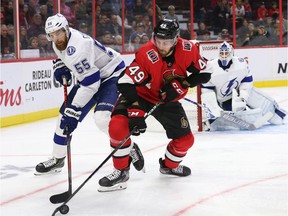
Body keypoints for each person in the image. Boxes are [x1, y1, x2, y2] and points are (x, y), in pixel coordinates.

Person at [98, 19, 212, 192]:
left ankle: (168, 166)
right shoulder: (146, 53)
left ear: (176, 40)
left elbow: (205, 72)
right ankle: (121, 171)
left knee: (185, 140)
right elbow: (125, 81)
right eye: (158, 41)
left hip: (167, 100)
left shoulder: (188, 49)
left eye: (165, 42)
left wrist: (184, 83)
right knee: (117, 127)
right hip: (140, 95)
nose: (161, 46)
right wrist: (136, 107)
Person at [34, 13, 144, 175]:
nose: (56, 38)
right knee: (62, 118)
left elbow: (91, 83)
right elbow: (67, 61)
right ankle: (58, 159)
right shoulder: (59, 42)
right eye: (52, 35)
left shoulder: (79, 47)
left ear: (66, 29)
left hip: (111, 75)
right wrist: (60, 65)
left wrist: (74, 110)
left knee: (102, 119)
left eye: (59, 33)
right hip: (90, 77)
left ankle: (128, 145)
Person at [201, 41, 287, 131]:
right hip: (224, 99)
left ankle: (279, 114)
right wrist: (213, 107)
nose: (224, 55)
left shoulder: (240, 64)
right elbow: (207, 90)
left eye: (226, 53)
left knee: (276, 119)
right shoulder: (211, 67)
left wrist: (243, 97)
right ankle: (211, 123)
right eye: (222, 53)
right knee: (234, 120)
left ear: (231, 53)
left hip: (241, 91)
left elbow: (247, 81)